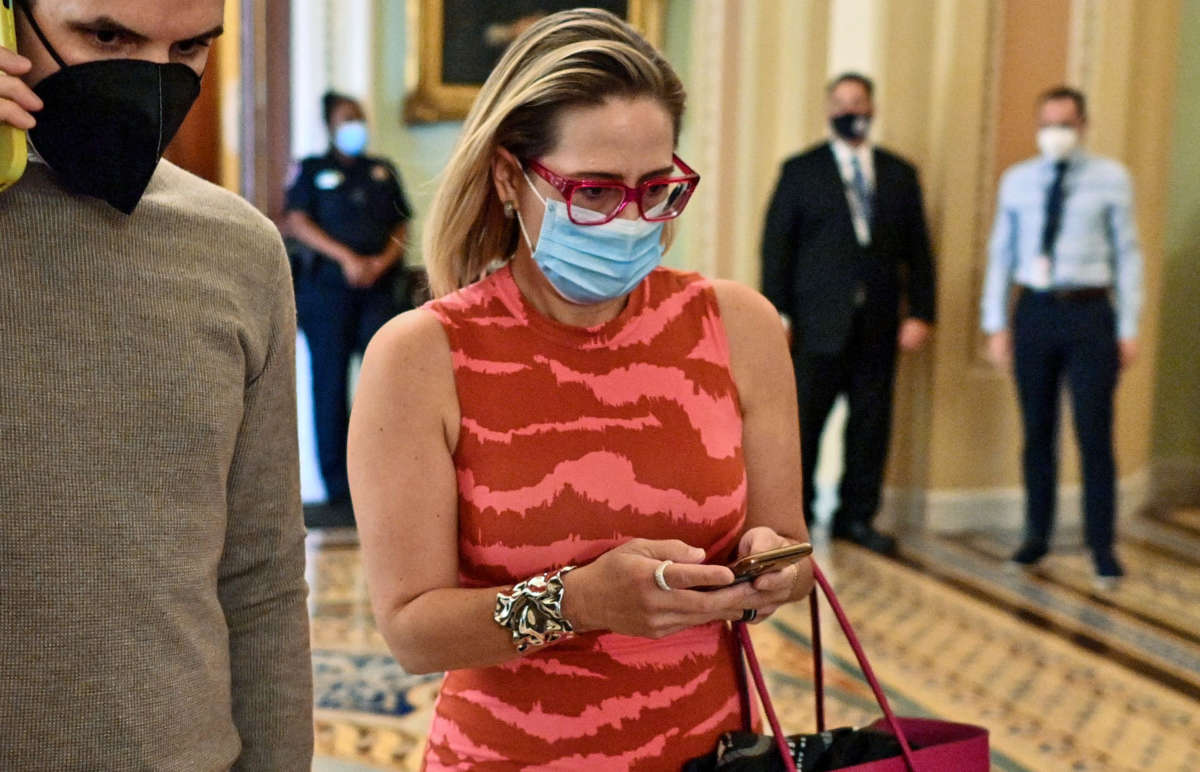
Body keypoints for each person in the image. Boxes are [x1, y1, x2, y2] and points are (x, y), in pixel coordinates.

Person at [347, 9, 814, 768]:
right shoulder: (423, 355)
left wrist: (769, 567)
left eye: (656, 189)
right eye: (593, 191)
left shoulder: (738, 325)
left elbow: (790, 549)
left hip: (710, 752)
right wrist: (581, 602)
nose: (629, 220)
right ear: (509, 177)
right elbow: (411, 630)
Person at [0, 0, 312, 767]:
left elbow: (262, 577)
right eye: (107, 36)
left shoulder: (239, 250)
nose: (152, 79)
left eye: (193, 48)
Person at [760, 72, 937, 555]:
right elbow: (777, 249)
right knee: (805, 425)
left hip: (879, 326)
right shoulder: (801, 171)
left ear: (871, 108)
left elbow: (919, 250)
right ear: (827, 110)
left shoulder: (900, 173)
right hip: (817, 326)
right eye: (839, 102)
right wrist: (779, 316)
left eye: (856, 102)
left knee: (870, 425)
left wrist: (921, 311)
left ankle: (856, 517)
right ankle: (797, 517)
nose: (848, 110)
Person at [981, 86, 1142, 590]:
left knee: (1094, 434)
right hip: (1035, 311)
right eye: (1047, 123)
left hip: (1091, 313)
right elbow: (1001, 254)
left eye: (1065, 123)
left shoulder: (1111, 178)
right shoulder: (1018, 181)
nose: (1056, 133)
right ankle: (1036, 536)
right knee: (1037, 433)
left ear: (1083, 124)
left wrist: (1129, 326)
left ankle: (1102, 546)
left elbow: (1128, 254)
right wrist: (995, 322)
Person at [285, 91, 413, 524]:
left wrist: (379, 262)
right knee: (329, 386)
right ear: (330, 125)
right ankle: (339, 493)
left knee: (385, 383)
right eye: (346, 118)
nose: (355, 124)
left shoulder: (382, 171)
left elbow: (402, 224)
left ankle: (386, 482)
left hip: (378, 290)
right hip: (328, 292)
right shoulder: (311, 171)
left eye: (359, 116)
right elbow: (296, 221)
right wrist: (346, 259)